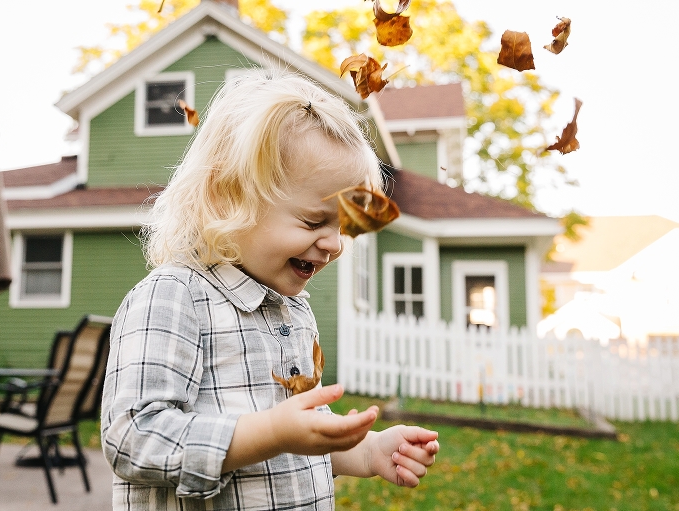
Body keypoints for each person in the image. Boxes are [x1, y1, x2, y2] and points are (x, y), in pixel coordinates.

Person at [101, 69, 439, 510]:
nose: (335, 244)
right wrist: (271, 432)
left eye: (343, 226)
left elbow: (298, 448)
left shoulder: (291, 311)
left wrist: (369, 451)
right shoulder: (174, 297)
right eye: (315, 221)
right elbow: (133, 436)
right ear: (226, 197)